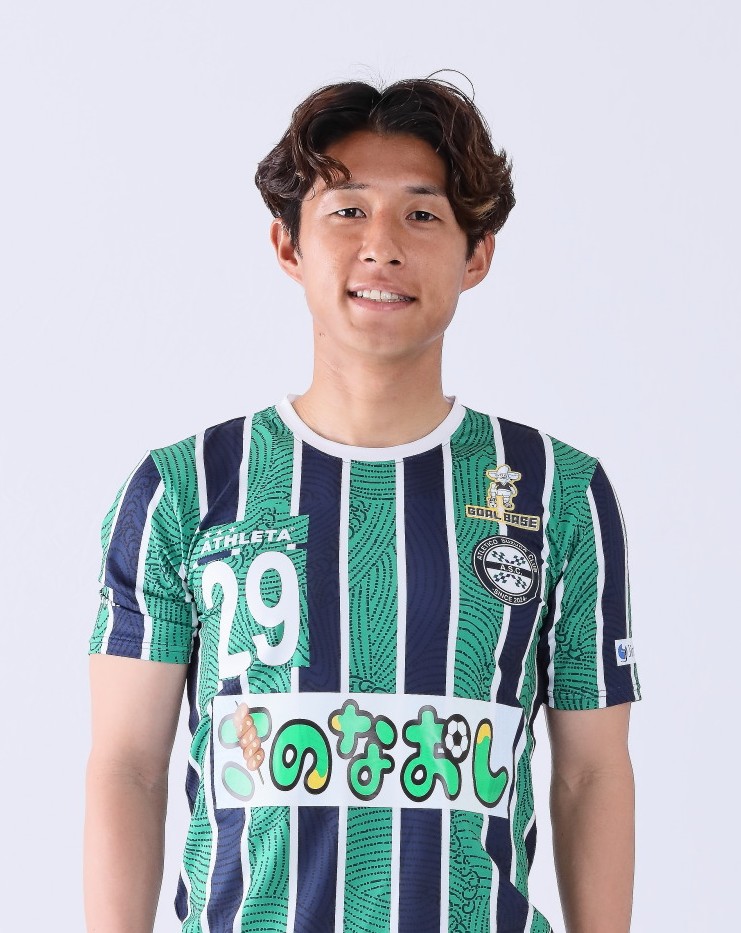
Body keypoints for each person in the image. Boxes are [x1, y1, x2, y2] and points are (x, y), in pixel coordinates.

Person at [84, 74, 641, 933]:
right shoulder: (181, 487)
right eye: (347, 210)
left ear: (476, 255)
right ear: (288, 245)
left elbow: (589, 772)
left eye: (421, 214)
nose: (381, 245)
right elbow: (128, 763)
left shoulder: (557, 490)